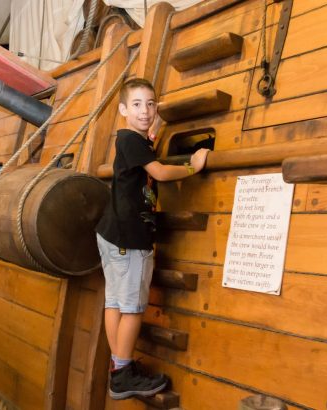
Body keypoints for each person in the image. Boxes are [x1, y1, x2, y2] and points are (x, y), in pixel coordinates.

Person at [95, 78, 209, 400]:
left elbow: (145, 147)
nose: (145, 111)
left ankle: (118, 369)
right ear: (122, 110)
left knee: (115, 301)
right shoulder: (131, 140)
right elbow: (158, 173)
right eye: (136, 105)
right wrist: (192, 167)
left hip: (113, 233)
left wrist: (152, 131)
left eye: (150, 104)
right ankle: (123, 374)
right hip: (129, 238)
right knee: (132, 308)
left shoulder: (135, 139)